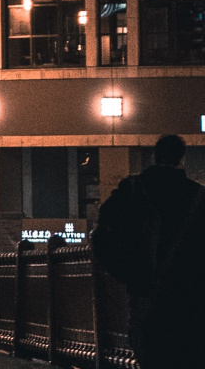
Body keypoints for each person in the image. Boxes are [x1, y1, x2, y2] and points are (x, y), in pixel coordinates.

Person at [94, 134, 205, 369]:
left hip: (146, 293)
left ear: (155, 156)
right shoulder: (198, 197)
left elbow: (102, 237)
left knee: (150, 354)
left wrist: (128, 274)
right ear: (181, 158)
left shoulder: (132, 191)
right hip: (190, 299)